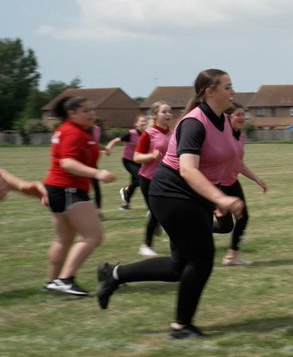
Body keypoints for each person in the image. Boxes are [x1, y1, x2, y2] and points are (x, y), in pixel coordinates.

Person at [95, 69, 245, 339]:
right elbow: (188, 170)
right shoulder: (194, 123)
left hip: (193, 196)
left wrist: (216, 197)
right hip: (172, 194)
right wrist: (220, 198)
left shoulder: (222, 120)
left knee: (180, 266)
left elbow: (217, 164)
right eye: (227, 87)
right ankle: (181, 326)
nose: (233, 92)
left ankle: (114, 274)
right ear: (210, 91)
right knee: (201, 261)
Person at [42, 95, 115, 296]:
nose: (92, 114)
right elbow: (67, 163)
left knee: (64, 239)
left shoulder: (72, 130)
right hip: (68, 189)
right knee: (93, 236)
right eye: (86, 110)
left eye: (92, 110)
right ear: (71, 113)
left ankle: (52, 281)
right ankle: (65, 280)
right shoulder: (73, 132)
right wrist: (97, 173)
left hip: (59, 188)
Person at [217, 102, 268, 266]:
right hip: (219, 185)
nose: (241, 118)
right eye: (237, 115)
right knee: (225, 226)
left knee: (243, 217)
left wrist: (256, 179)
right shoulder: (222, 137)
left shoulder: (241, 137)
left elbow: (239, 163)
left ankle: (232, 256)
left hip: (232, 182)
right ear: (228, 117)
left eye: (243, 115)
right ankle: (190, 229)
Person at [131, 101, 173, 256]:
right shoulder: (148, 134)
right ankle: (146, 245)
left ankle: (169, 236)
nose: (168, 114)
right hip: (148, 179)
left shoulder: (172, 133)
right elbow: (136, 157)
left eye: (169, 111)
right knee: (158, 212)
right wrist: (151, 156)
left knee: (168, 211)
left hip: (167, 179)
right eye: (164, 112)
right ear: (155, 115)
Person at [105, 114, 148, 210]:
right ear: (136, 124)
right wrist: (109, 147)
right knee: (142, 178)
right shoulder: (130, 134)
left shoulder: (147, 134)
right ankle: (126, 191)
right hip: (128, 160)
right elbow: (116, 140)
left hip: (139, 161)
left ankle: (125, 204)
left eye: (145, 121)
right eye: (141, 121)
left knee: (135, 181)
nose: (144, 123)